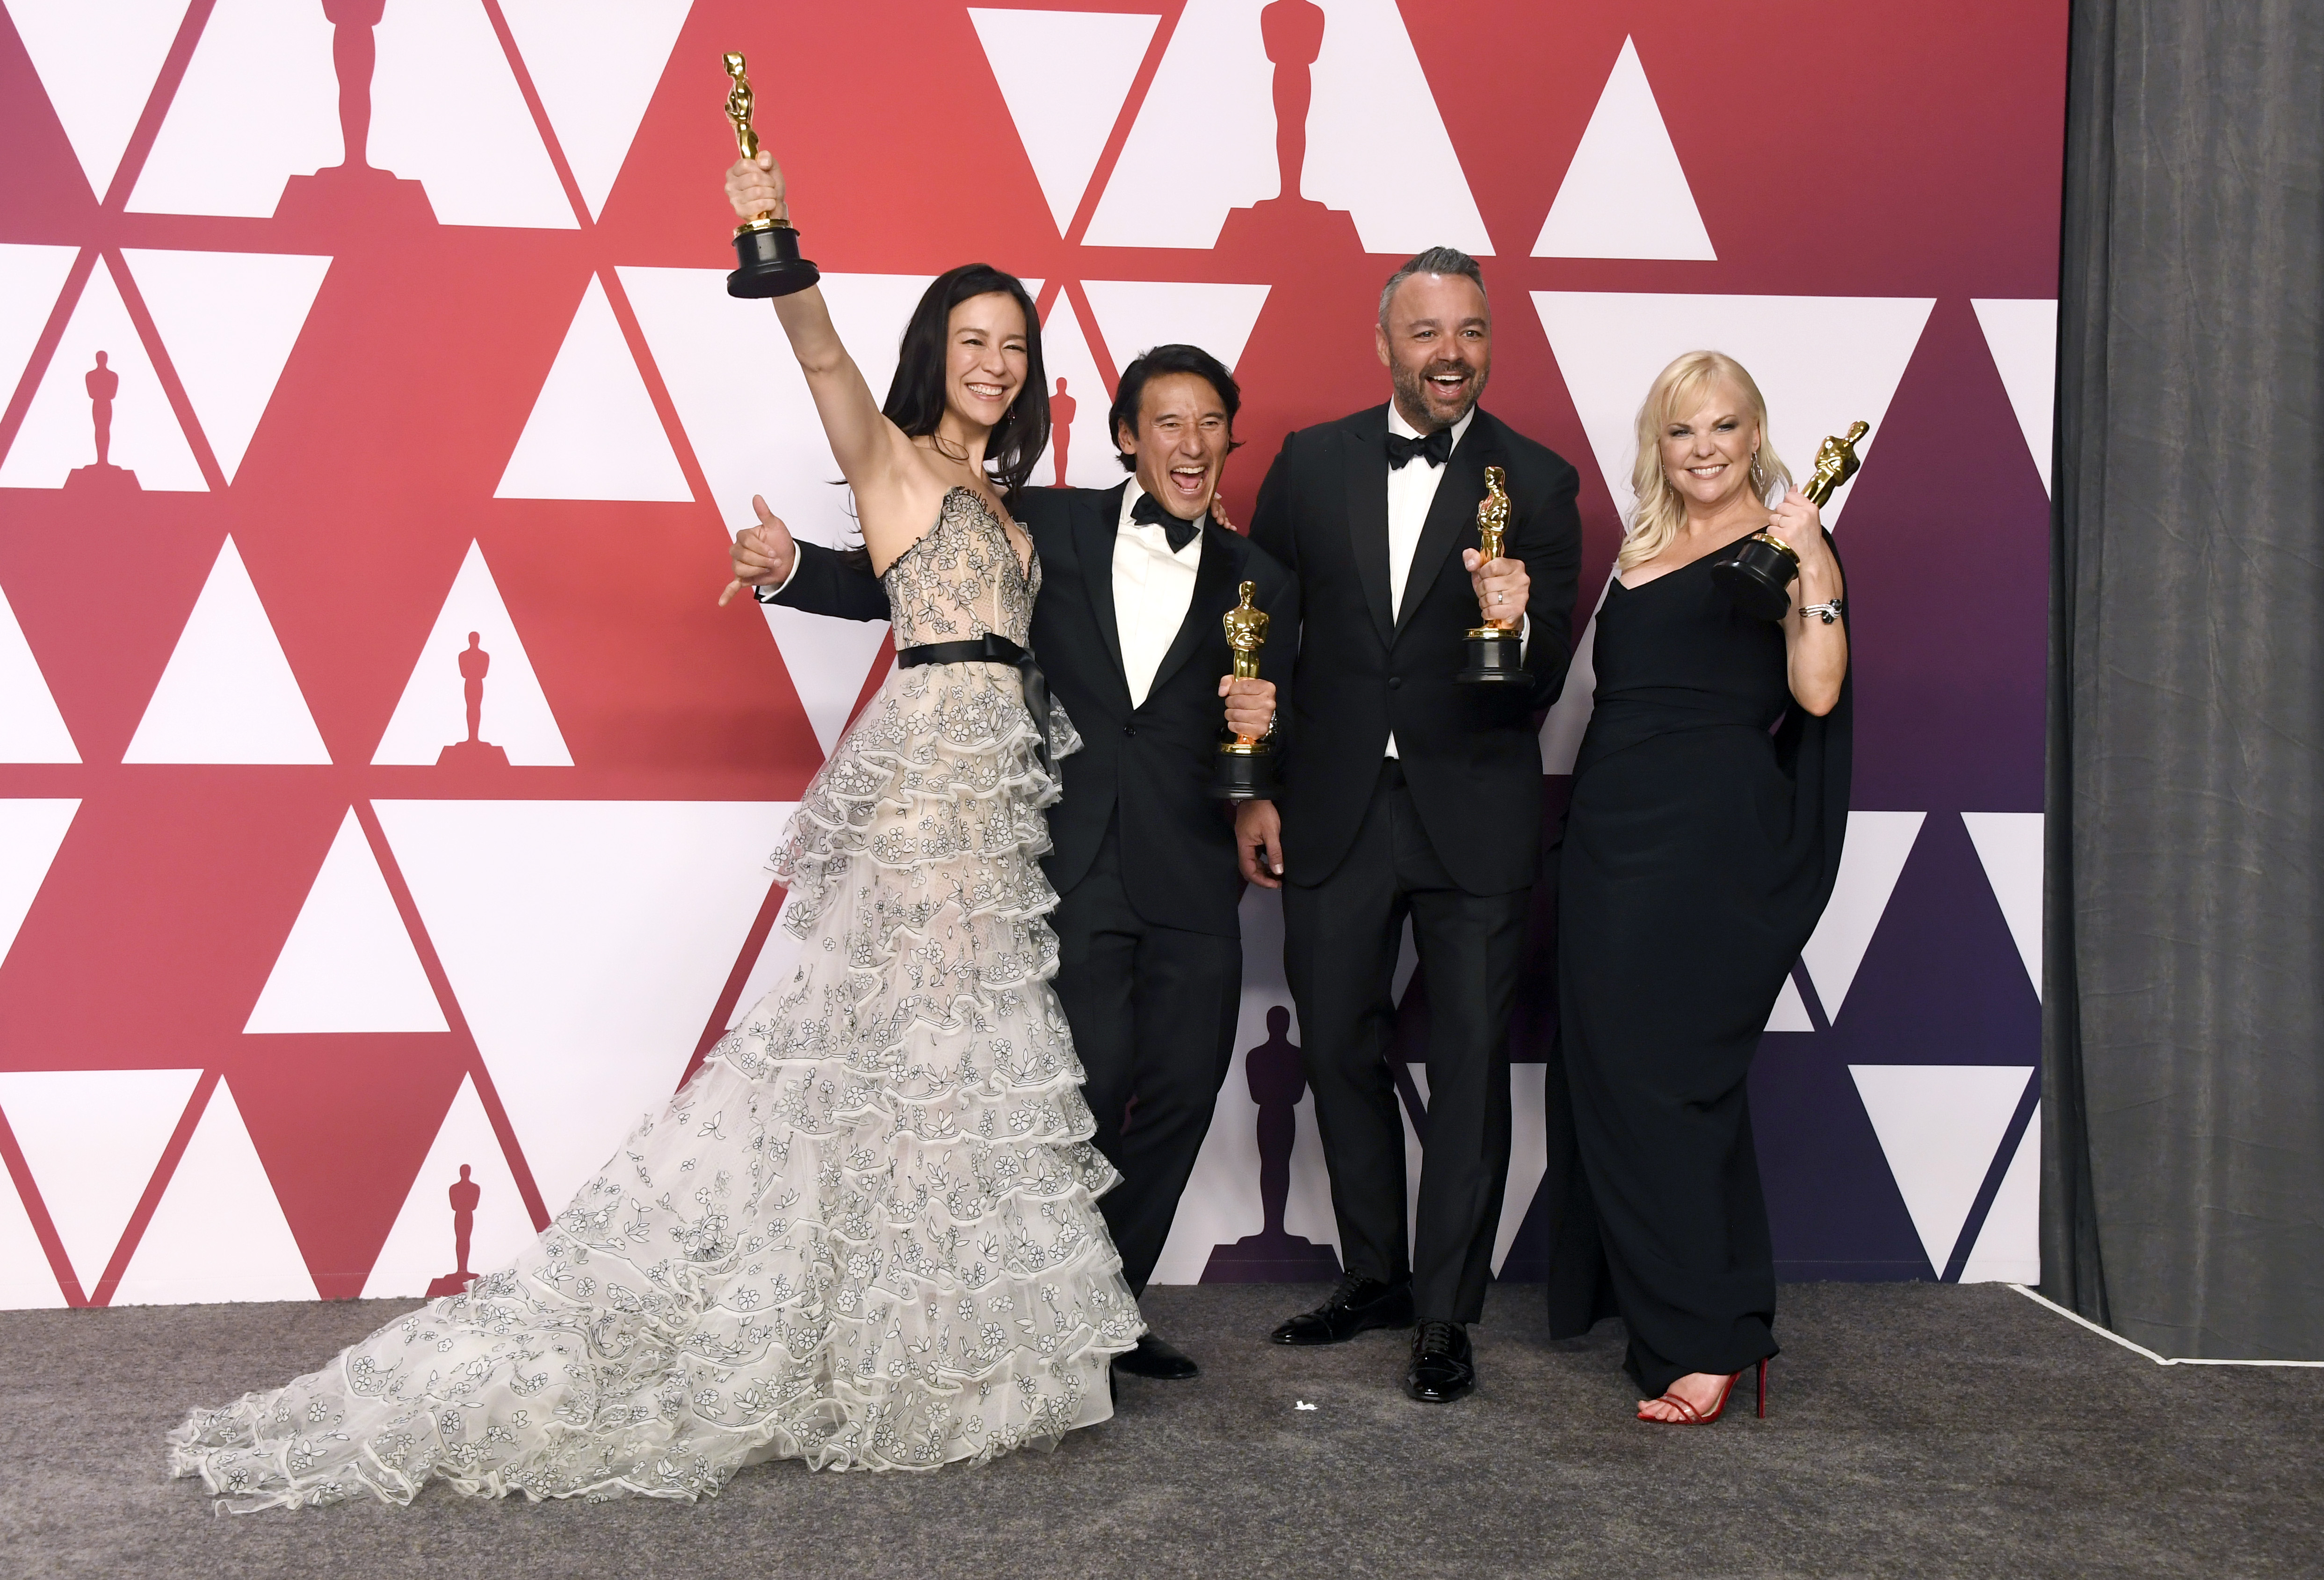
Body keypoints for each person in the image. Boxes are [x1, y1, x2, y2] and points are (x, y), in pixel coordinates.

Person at [165, 152, 1146, 1510]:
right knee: (912, 1046)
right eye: (971, 342)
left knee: (960, 1062)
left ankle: (948, 1351)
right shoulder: (893, 456)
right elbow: (819, 366)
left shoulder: (1008, 504)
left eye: (1012, 348)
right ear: (934, 355)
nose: (992, 363)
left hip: (997, 802)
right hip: (925, 792)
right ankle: (889, 1353)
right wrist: (770, 231)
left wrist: (801, 572)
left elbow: (899, 594)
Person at [739, 343, 1296, 1381]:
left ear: (1232, 439)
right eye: (1167, 423)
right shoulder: (1050, 524)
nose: (1191, 443)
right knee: (1084, 1091)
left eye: (1211, 424)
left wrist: (1269, 745)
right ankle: (1057, 1321)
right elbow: (907, 578)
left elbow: (1271, 715)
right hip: (1066, 856)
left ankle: (1110, 1311)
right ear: (1127, 437)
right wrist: (794, 572)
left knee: (1181, 1090)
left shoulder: (1262, 580)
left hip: (1190, 871)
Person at [1245, 247, 1582, 1404]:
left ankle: (1447, 1313)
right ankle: (1377, 1275)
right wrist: (1258, 787)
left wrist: (1520, 624)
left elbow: (1538, 678)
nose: (1453, 354)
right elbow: (1264, 637)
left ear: (1492, 343)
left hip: (1472, 816)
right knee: (1339, 1043)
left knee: (1474, 1067)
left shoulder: (1538, 482)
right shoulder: (1307, 464)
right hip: (1334, 809)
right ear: (1384, 343)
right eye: (1429, 332)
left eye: (1472, 332)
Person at [1546, 350, 1850, 1426]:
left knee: (1675, 1077)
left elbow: (1815, 694)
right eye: (1684, 430)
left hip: (1710, 838)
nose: (1706, 447)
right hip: (1611, 828)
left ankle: (1714, 1332)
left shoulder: (1786, 544)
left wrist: (1814, 565)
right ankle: (1676, 1311)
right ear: (1660, 444)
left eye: (1725, 426)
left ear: (1755, 431)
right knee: (1608, 1069)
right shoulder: (1640, 545)